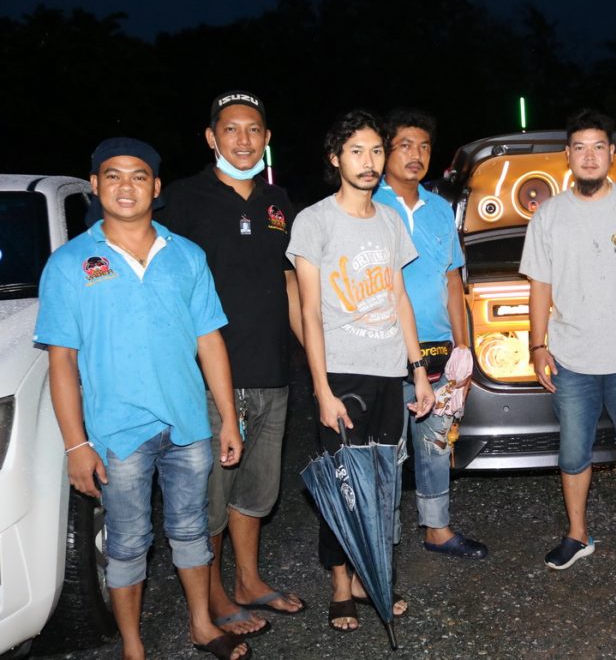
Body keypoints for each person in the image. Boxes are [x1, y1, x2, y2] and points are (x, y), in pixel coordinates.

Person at [35, 138, 251, 659]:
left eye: (138, 176)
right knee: (128, 543)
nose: (125, 186)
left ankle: (202, 626)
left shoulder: (186, 255)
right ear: (95, 185)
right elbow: (61, 362)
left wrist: (228, 418)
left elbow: (209, 341)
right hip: (117, 432)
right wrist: (76, 445)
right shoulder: (68, 263)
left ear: (156, 187)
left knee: (191, 530)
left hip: (187, 423)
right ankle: (133, 647)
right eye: (113, 175)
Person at [157, 90, 305, 639]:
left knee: (256, 492)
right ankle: (215, 594)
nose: (243, 140)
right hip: (210, 377)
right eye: (231, 129)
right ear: (211, 137)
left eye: (253, 130)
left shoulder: (278, 201)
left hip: (272, 370)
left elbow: (290, 284)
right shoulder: (181, 199)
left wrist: (315, 360)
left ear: (267, 139)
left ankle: (248, 580)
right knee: (211, 500)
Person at [286, 110, 434, 632]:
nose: (368, 162)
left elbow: (399, 298)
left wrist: (418, 369)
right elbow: (309, 312)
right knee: (343, 485)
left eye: (375, 151)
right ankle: (340, 586)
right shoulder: (315, 221)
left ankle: (373, 579)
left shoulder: (390, 221)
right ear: (336, 158)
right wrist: (321, 389)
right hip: (342, 375)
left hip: (388, 372)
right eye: (357, 152)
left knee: (382, 485)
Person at [520, 108, 616, 574]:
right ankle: (576, 535)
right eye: (580, 148)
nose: (590, 156)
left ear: (612, 153)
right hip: (572, 359)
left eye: (598, 147)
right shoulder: (549, 215)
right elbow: (540, 286)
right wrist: (537, 346)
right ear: (567, 155)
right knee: (573, 454)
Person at [374, 108, 488, 559]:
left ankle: (437, 528)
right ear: (384, 152)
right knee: (386, 450)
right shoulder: (368, 206)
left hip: (439, 349)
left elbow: (453, 279)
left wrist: (464, 348)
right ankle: (382, 539)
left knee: (436, 442)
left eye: (423, 146)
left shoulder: (440, 210)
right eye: (405, 145)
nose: (416, 155)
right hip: (383, 350)